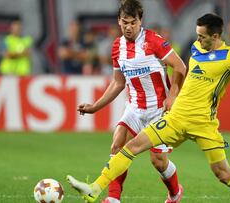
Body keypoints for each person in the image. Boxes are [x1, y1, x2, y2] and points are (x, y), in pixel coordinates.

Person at [67, 13, 230, 203]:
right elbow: (183, 72)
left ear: (216, 36)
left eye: (202, 36)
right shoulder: (197, 48)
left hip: (203, 124)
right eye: (197, 34)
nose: (197, 39)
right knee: (132, 146)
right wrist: (174, 94)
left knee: (223, 174)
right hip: (176, 118)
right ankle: (95, 188)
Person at [74, 1, 186, 203]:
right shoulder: (117, 47)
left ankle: (175, 193)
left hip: (158, 110)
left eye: (133, 22)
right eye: (124, 22)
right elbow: (118, 82)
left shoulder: (154, 41)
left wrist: (172, 96)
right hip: (134, 108)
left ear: (140, 21)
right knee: (116, 146)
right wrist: (95, 107)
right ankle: (113, 199)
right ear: (119, 21)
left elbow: (180, 66)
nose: (128, 27)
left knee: (158, 161)